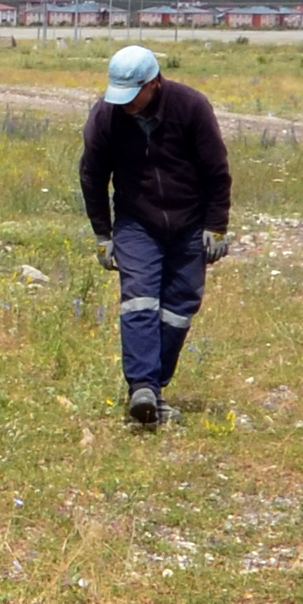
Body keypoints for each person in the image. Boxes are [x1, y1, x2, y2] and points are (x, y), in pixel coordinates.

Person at [80, 42, 233, 428]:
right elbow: (92, 177)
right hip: (136, 222)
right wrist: (103, 234)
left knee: (180, 307)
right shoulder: (105, 117)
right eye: (121, 96)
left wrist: (216, 226)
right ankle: (142, 388)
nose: (127, 104)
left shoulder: (191, 107)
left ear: (154, 84)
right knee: (139, 300)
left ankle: (155, 389)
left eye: (134, 96)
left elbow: (217, 171)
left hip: (189, 222)